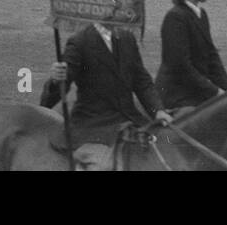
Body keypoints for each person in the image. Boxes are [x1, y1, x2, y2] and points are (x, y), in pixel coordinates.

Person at [41, 21, 172, 147]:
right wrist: (56, 80)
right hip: (94, 125)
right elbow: (63, 82)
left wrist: (158, 110)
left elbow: (141, 81)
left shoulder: (127, 38)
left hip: (129, 119)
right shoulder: (79, 42)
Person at [155, 0, 227, 109]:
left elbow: (212, 56)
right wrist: (215, 91)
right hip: (178, 95)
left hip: (196, 90)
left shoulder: (201, 15)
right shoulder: (175, 18)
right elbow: (180, 65)